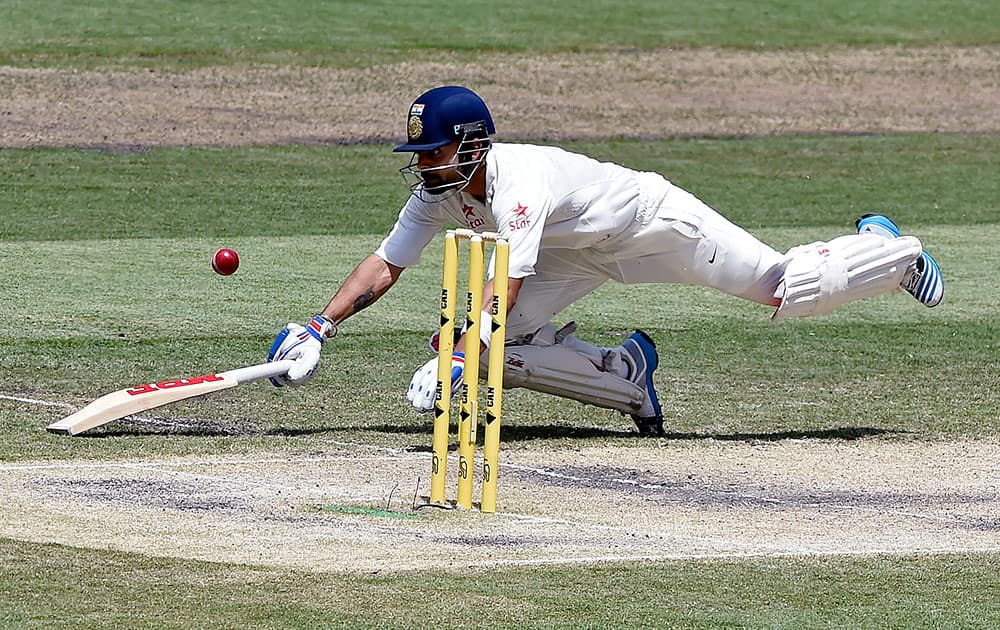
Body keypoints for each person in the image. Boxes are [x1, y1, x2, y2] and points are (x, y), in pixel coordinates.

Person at [267, 85, 944, 437]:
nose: (422, 164)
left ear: (471, 145)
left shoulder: (519, 182)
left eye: (432, 152)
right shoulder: (441, 191)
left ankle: (887, 251)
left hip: (651, 225)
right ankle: (627, 377)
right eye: (419, 154)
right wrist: (317, 328)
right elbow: (386, 263)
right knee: (473, 344)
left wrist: (456, 359)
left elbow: (507, 282)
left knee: (782, 287)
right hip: (575, 251)